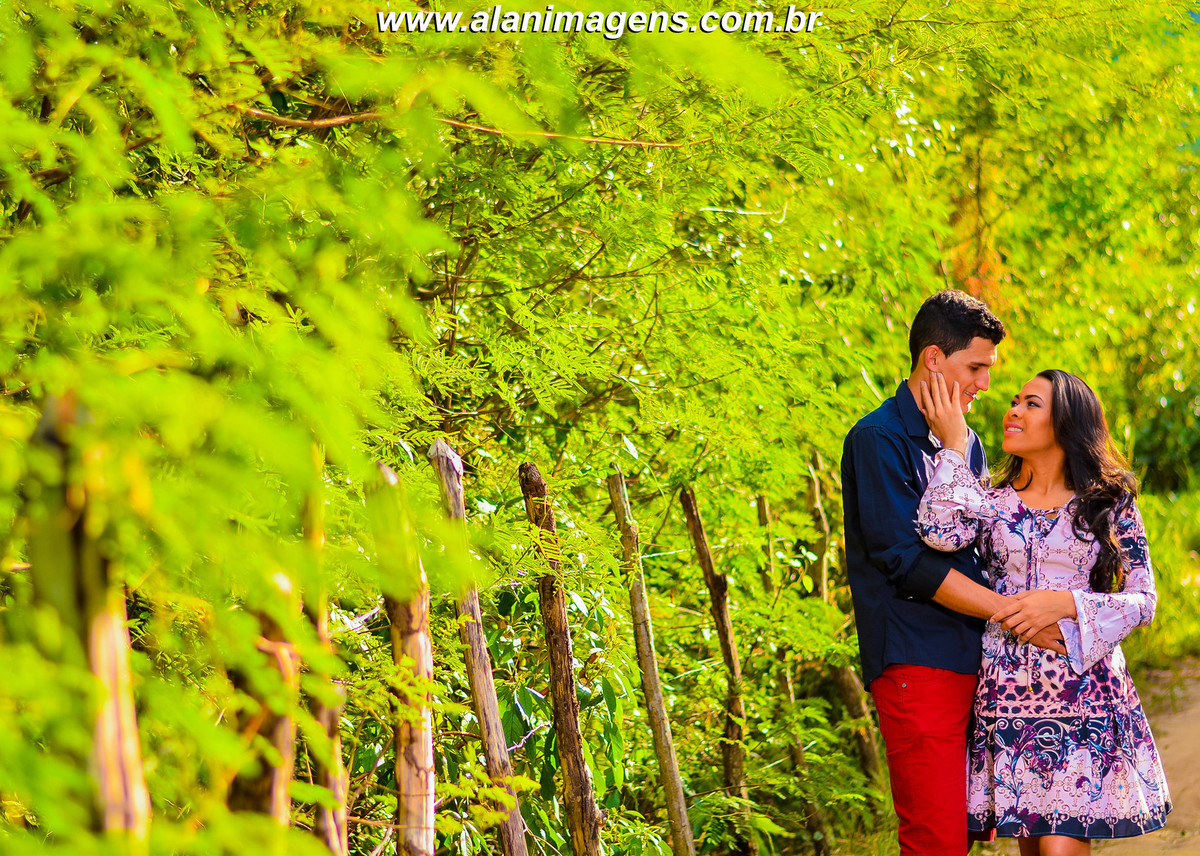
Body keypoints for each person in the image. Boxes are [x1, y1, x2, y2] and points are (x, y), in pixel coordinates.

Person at [841, 289, 1065, 856]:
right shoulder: (877, 439)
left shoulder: (969, 445)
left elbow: (978, 546)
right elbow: (906, 562)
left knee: (977, 833)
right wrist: (1015, 616)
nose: (986, 384)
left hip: (979, 665)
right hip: (917, 663)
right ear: (933, 359)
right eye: (977, 367)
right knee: (935, 840)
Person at [917, 369, 1171, 855]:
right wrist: (952, 445)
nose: (1013, 410)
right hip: (1008, 701)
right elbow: (936, 532)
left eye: (1031, 403)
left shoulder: (1109, 503)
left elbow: (1144, 600)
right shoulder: (988, 502)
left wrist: (1068, 603)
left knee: (1059, 848)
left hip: (1085, 698)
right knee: (1034, 850)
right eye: (1015, 401)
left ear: (1066, 422)